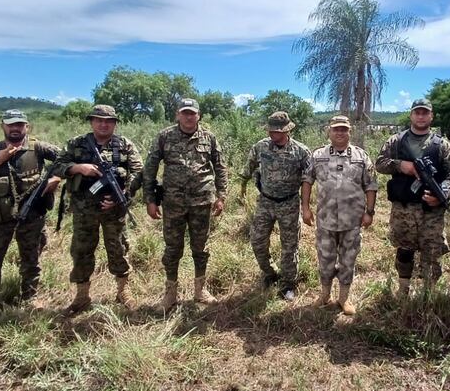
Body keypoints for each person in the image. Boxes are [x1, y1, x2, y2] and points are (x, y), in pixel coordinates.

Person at [0, 109, 60, 322]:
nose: (15, 128)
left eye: (20, 124)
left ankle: (29, 298)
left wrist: (55, 179)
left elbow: (68, 159)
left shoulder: (39, 148)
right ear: (3, 127)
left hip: (32, 217)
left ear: (27, 127)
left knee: (32, 259)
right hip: (0, 219)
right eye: (11, 124)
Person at [52, 104, 143, 313]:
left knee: (119, 250)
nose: (104, 124)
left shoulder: (125, 145)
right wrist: (77, 168)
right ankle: (82, 297)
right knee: (82, 252)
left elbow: (139, 174)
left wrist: (123, 197)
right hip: (84, 211)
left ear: (114, 123)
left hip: (115, 212)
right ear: (92, 121)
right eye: (99, 120)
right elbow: (56, 166)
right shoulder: (76, 144)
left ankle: (123, 292)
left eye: (108, 121)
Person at [143, 98, 228, 310]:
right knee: (172, 248)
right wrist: (150, 199)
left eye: (192, 113)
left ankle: (201, 291)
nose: (189, 116)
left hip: (201, 201)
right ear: (177, 114)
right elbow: (150, 168)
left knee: (201, 247)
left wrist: (222, 195)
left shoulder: (209, 137)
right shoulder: (165, 136)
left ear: (199, 115)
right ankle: (170, 294)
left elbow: (220, 167)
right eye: (185, 113)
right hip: (173, 203)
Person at [375, 99, 450, 296]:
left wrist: (442, 194)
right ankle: (403, 290)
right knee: (404, 251)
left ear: (431, 116)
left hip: (431, 211)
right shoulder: (396, 141)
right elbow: (379, 164)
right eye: (417, 112)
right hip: (403, 210)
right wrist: (400, 166)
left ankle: (428, 294)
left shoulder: (442, 145)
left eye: (425, 113)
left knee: (432, 254)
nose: (421, 116)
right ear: (411, 115)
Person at [301, 115, 377, 315]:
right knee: (325, 259)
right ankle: (325, 295)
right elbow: (307, 181)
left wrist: (369, 212)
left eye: (344, 129)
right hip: (325, 220)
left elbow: (371, 185)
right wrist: (305, 208)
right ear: (329, 131)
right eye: (336, 129)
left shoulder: (361, 156)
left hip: (352, 221)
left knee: (348, 260)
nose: (340, 133)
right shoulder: (318, 155)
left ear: (349, 132)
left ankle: (344, 299)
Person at [240, 112, 310, 301]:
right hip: (265, 202)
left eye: (277, 131)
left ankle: (288, 284)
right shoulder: (261, 147)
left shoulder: (301, 151)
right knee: (257, 241)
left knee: (289, 246)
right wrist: (242, 188)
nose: (273, 134)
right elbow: (248, 168)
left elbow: (308, 179)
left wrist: (306, 206)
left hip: (289, 203)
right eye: (271, 130)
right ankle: (270, 274)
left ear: (287, 131)